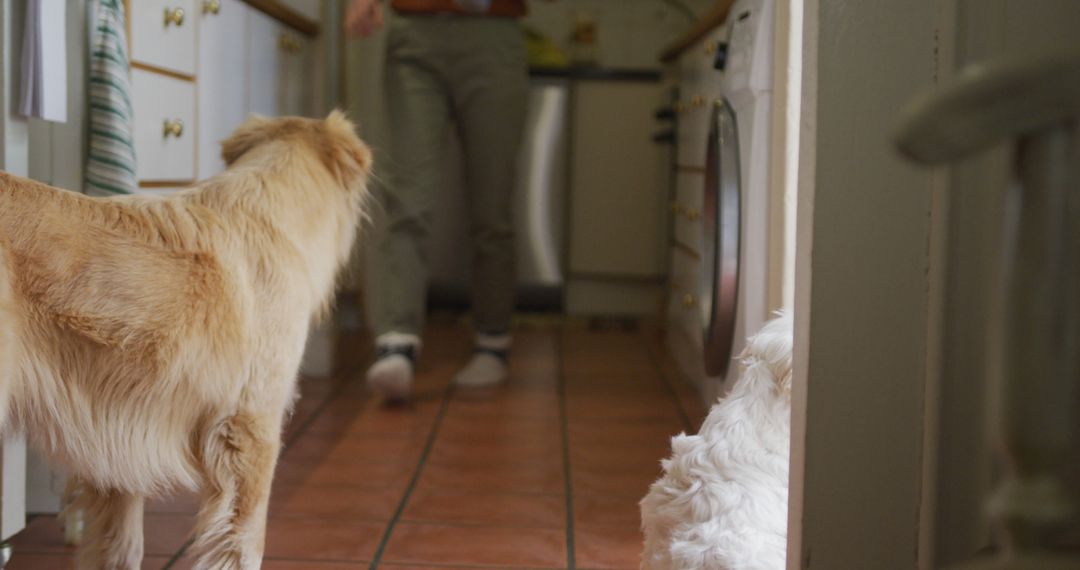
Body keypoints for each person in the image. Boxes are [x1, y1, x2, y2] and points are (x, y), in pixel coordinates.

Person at [345, 0, 533, 399]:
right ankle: (396, 343)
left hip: (493, 34)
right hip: (415, 33)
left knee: (492, 206)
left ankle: (492, 342)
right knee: (406, 202)